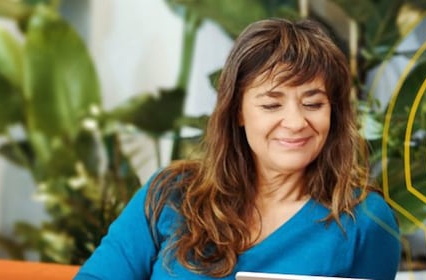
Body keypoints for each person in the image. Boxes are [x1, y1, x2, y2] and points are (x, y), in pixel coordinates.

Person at [77, 18, 400, 279]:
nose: (296, 122)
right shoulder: (170, 194)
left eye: (313, 103)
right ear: (238, 112)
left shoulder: (365, 219)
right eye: (272, 105)